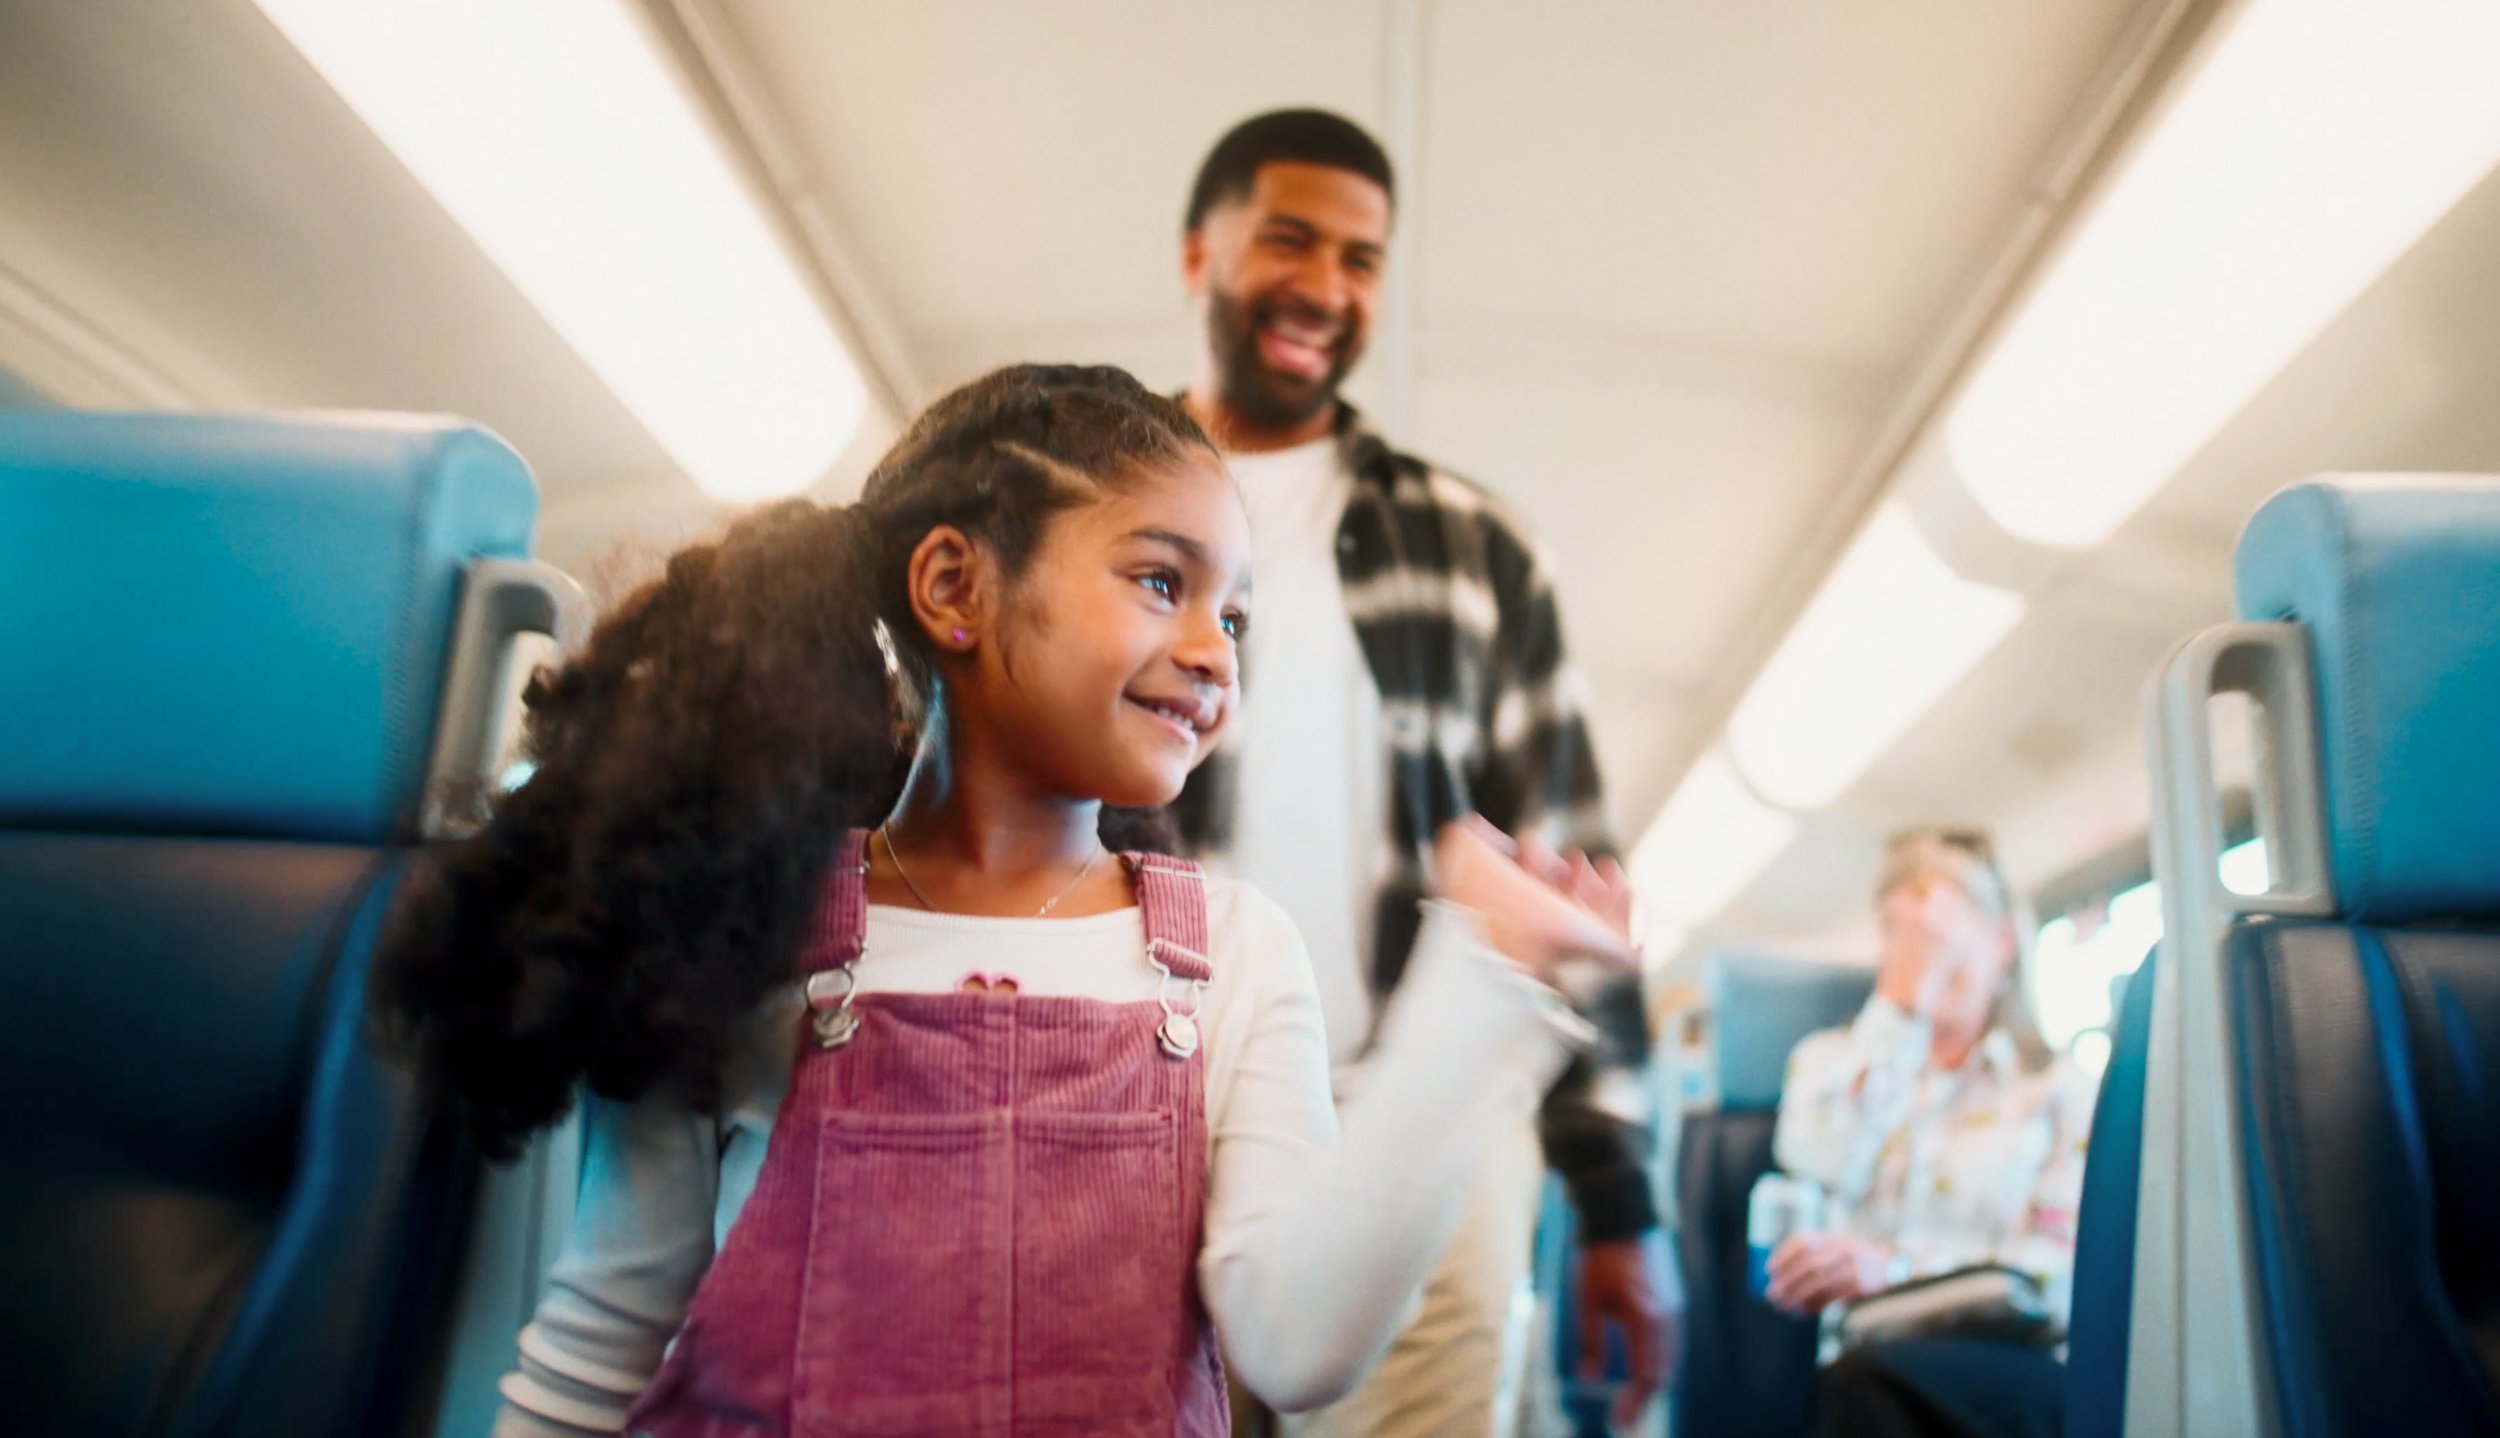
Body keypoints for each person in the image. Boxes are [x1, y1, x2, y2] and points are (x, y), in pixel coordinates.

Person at [371, 364, 1642, 1437]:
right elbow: (600, 1345)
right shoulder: (740, 923)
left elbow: (1297, 1344)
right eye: (1162, 580)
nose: (1214, 647)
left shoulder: (1237, 955)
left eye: (1236, 613)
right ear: (952, 588)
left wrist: (1483, 984)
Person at [1168, 109, 1673, 1436]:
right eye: (1289, 240)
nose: (1327, 289)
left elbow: (1567, 838)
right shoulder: (1099, 515)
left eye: (1363, 259)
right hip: (1152, 1095)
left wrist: (1619, 1199)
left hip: (1426, 1105)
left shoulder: (1472, 543)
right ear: (1198, 254)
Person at [1767, 827, 2096, 1438]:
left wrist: (1897, 1272)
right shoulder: (1832, 1064)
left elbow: (2062, 1275)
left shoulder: (2055, 1089)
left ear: (2001, 944)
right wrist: (1899, 1009)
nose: (1915, 959)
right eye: (1897, 936)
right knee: (1860, 1385)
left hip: (2006, 1364)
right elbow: (1817, 1161)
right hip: (1862, 1367)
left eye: (1935, 938)